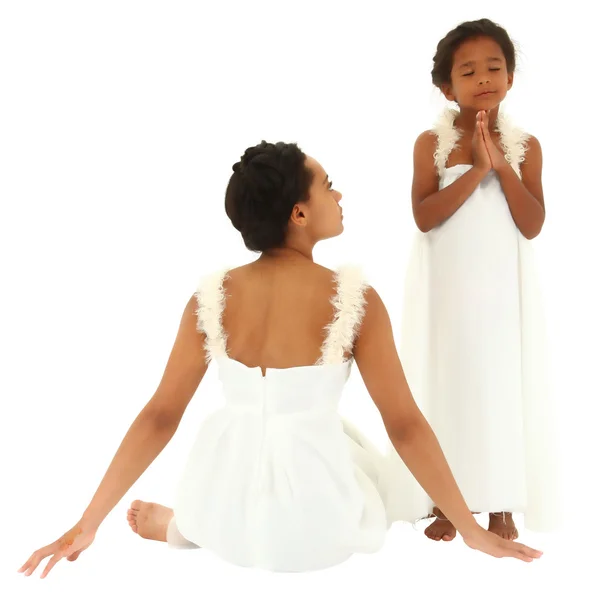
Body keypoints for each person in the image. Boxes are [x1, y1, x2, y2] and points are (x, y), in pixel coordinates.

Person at [19, 141, 542, 578]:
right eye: (327, 186)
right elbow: (403, 424)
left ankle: (188, 527)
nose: (339, 195)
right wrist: (471, 530)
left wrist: (88, 522)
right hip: (322, 528)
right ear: (299, 213)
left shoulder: (214, 296)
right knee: (366, 470)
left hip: (226, 502)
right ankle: (192, 526)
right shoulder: (354, 298)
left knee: (225, 474)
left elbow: (160, 416)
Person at [383, 18, 560, 542]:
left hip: (501, 291)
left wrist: (501, 166)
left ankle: (502, 503)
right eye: (468, 71)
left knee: (499, 388)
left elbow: (531, 223)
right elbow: (424, 215)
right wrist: (476, 171)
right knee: (449, 384)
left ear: (510, 76)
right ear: (446, 86)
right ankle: (446, 501)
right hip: (449, 290)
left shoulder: (526, 146)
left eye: (494, 67)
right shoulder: (431, 145)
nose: (483, 78)